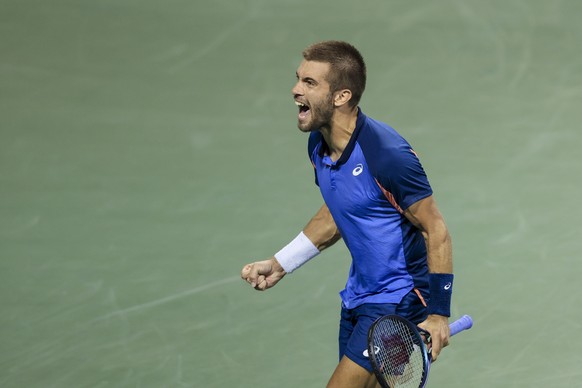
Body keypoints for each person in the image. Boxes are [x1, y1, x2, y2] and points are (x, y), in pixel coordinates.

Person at [241, 40, 454, 388]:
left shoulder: (385, 154)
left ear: (341, 96)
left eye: (310, 83)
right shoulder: (318, 146)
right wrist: (281, 263)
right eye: (298, 79)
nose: (295, 90)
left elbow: (436, 228)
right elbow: (339, 210)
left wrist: (439, 313)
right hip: (359, 295)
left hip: (399, 298)